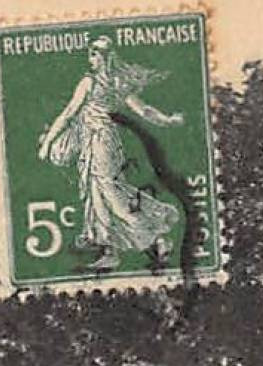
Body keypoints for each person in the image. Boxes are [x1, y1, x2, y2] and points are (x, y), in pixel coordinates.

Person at [37, 36, 185, 272]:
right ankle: (108, 249)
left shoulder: (89, 82)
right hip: (104, 142)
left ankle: (155, 238)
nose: (90, 58)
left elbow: (68, 113)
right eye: (90, 53)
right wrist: (167, 120)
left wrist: (48, 144)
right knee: (99, 192)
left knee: (109, 193)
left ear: (104, 57)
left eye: (94, 54)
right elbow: (144, 110)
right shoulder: (118, 82)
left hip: (99, 142)